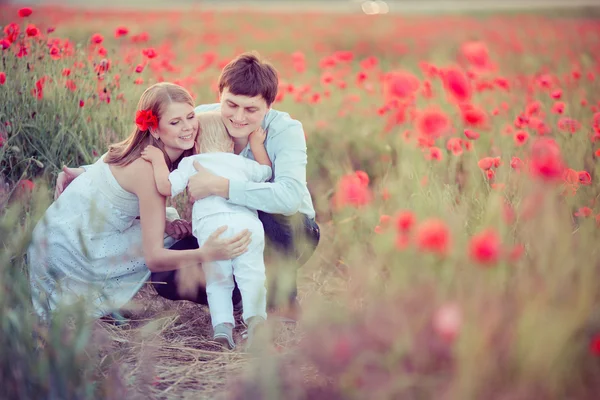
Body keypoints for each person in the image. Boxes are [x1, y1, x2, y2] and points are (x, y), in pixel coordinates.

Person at [56, 52, 321, 321]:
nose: (239, 117)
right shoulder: (201, 119)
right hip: (221, 223)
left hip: (289, 231)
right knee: (165, 276)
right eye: (231, 105)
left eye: (251, 109)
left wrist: (221, 186)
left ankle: (284, 299)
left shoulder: (286, 130)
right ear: (220, 95)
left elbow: (289, 198)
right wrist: (91, 172)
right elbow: (149, 145)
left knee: (274, 211)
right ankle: (239, 298)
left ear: (268, 106)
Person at [29, 83, 251, 321]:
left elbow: (113, 198)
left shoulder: (141, 149)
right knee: (181, 243)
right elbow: (154, 258)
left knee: (175, 227)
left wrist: (164, 222)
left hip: (55, 237)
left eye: (190, 117)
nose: (188, 128)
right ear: (154, 130)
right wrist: (206, 252)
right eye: (175, 122)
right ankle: (237, 298)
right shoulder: (148, 170)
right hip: (70, 254)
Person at [141, 111, 272, 349]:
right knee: (252, 276)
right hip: (247, 226)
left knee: (218, 280)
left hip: (214, 228)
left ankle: (222, 328)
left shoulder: (191, 162)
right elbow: (266, 171)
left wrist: (158, 159)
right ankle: (256, 322)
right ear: (231, 142)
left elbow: (166, 187)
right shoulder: (242, 162)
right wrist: (256, 145)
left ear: (196, 144)